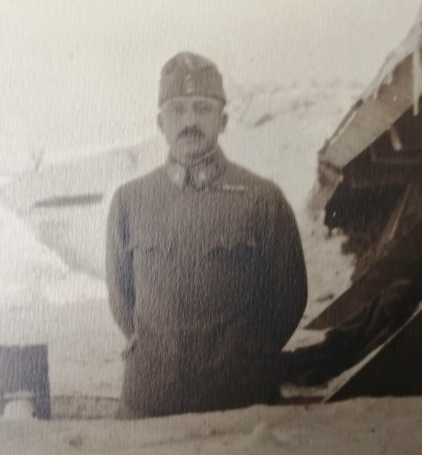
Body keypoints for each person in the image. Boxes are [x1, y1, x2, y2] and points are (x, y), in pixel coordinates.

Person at [105, 51, 308, 418]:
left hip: (238, 403)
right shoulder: (129, 200)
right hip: (148, 403)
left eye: (202, 108)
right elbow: (122, 299)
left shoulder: (262, 198)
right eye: (178, 110)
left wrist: (245, 357)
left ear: (223, 119)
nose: (190, 121)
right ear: (160, 123)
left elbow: (288, 299)